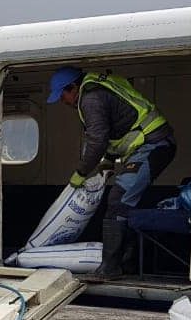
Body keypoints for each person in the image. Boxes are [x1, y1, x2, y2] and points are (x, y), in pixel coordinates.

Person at [46, 67, 177, 279]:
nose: (63, 101)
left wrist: (80, 173)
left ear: (73, 88)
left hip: (153, 145)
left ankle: (110, 268)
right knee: (124, 203)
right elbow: (116, 128)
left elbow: (97, 141)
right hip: (152, 144)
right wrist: (108, 160)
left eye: (62, 95)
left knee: (117, 202)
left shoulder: (90, 100)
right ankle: (127, 261)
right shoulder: (97, 88)